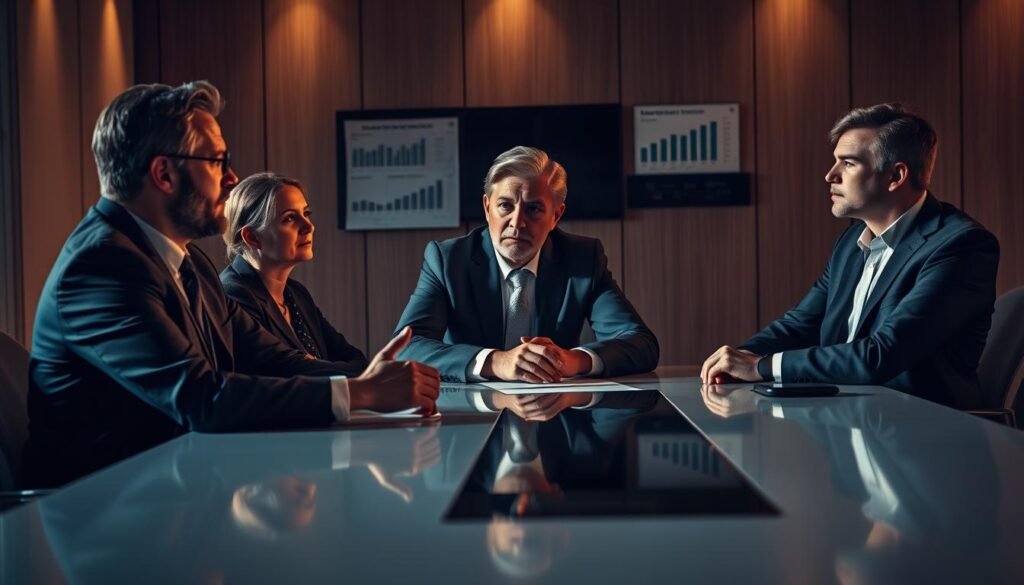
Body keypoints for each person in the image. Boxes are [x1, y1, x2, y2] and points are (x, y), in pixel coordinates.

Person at [26, 81, 439, 487]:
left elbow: (275, 358)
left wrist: (371, 377)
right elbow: (202, 398)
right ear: (164, 173)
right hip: (103, 514)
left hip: (178, 488)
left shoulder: (190, 262)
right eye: (217, 161)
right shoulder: (102, 266)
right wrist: (361, 393)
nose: (232, 178)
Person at [700, 103, 999, 409]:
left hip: (923, 431)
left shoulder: (961, 246)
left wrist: (760, 367)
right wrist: (736, 361)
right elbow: (800, 324)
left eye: (848, 163)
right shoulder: (850, 242)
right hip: (850, 419)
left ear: (895, 176)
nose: (830, 175)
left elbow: (882, 354)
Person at [393, 146, 659, 390]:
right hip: (469, 416)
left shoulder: (582, 259)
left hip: (554, 416)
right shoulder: (448, 260)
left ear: (556, 216)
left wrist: (573, 360)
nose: (517, 222)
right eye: (505, 206)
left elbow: (641, 344)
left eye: (533, 209)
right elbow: (405, 349)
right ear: (487, 208)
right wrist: (498, 362)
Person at [220, 172, 368, 372]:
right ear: (252, 237)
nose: (309, 226)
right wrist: (312, 365)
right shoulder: (233, 295)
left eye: (306, 213)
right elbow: (286, 372)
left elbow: (356, 359)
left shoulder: (297, 294)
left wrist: (313, 364)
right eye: (289, 218)